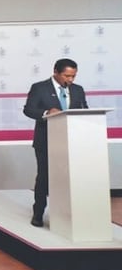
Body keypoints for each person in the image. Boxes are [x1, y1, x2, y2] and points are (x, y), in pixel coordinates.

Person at [22, 58, 87, 227]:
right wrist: (46, 112)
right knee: (44, 177)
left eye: (73, 76)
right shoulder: (40, 87)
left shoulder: (78, 90)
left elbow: (84, 110)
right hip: (46, 141)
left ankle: (68, 215)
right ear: (56, 72)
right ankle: (38, 213)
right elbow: (28, 109)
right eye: (67, 76)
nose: (70, 79)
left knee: (70, 178)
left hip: (71, 141)